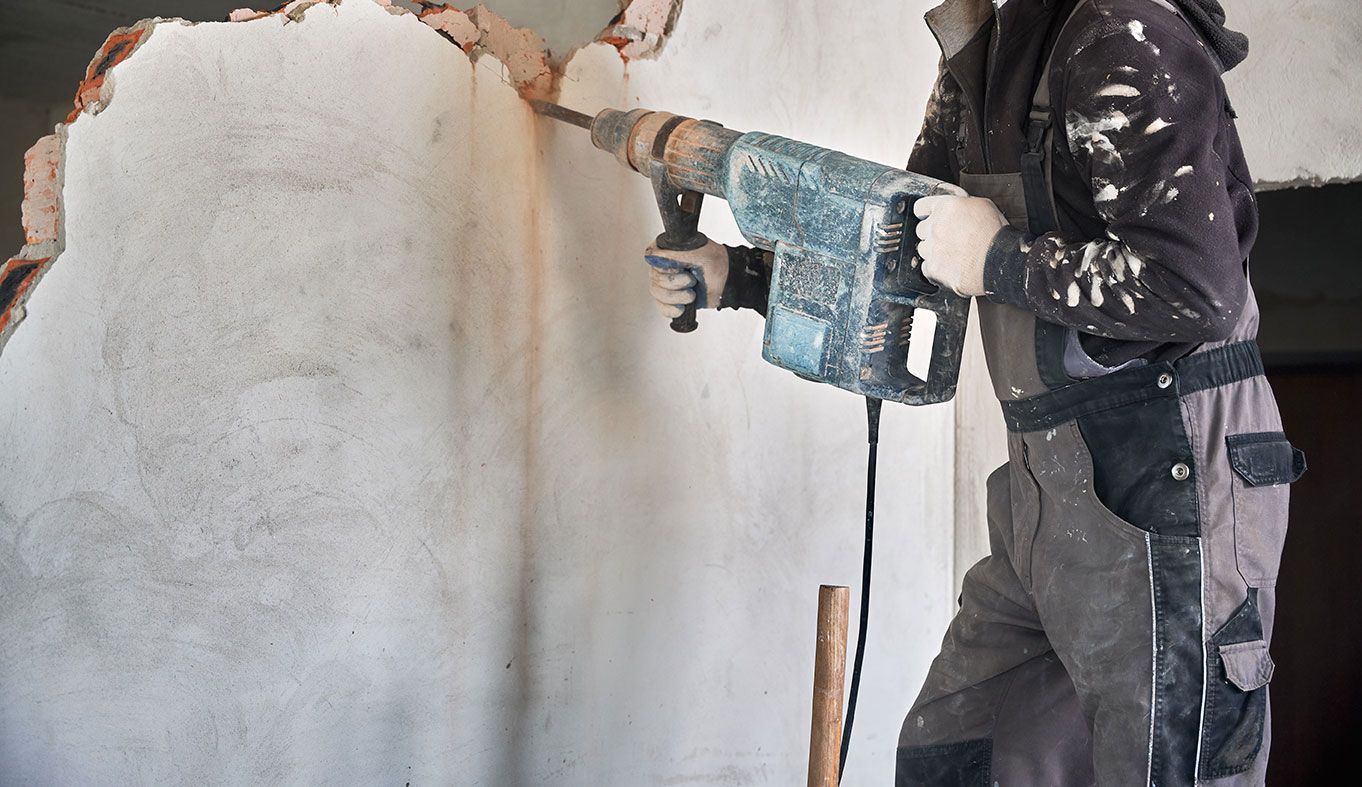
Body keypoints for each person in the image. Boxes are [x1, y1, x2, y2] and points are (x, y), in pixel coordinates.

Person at [644, 0, 1305, 783]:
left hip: (1167, 477)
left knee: (1168, 766)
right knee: (957, 753)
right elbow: (906, 239)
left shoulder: (1123, 34)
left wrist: (999, 260)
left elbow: (1198, 289)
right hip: (1046, 487)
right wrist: (745, 275)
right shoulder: (982, 51)